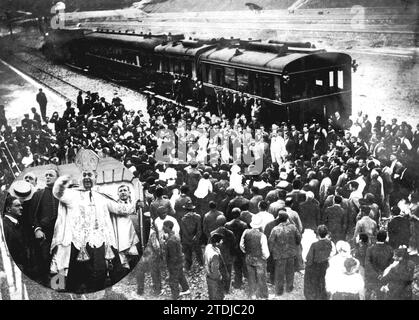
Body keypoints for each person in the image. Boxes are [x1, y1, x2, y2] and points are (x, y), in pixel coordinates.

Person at [51, 149, 128, 293]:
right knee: (76, 278)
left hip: (100, 242)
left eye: (90, 175)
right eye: (84, 174)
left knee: (99, 274)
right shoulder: (72, 195)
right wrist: (63, 180)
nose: (87, 177)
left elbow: (120, 209)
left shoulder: (102, 197)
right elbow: (57, 193)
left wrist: (132, 203)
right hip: (79, 243)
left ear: (95, 177)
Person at [31, 168, 60, 287]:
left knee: (60, 261)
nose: (47, 177)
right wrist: (37, 229)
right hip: (45, 233)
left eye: (51, 175)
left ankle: (58, 287)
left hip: (60, 233)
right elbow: (32, 215)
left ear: (57, 178)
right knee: (45, 259)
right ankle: (47, 288)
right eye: (46, 175)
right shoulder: (38, 194)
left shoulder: (63, 194)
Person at [268, 212, 301, 295]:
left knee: (279, 273)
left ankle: (279, 291)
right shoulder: (293, 227)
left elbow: (271, 241)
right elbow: (298, 238)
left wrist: (270, 252)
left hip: (279, 255)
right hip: (291, 253)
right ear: (287, 219)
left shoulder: (275, 229)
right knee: (290, 271)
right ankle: (289, 288)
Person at [240, 214, 270, 299]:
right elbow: (265, 251)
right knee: (261, 278)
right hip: (259, 259)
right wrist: (265, 257)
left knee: (251, 277)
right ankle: (263, 295)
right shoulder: (262, 236)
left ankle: (252, 294)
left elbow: (241, 245)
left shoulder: (246, 232)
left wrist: (246, 252)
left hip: (249, 257)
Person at [304, 225, 334, 300]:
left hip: (315, 267)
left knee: (313, 283)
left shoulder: (314, 245)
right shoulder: (329, 243)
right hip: (324, 266)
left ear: (317, 234)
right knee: (322, 283)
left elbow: (309, 258)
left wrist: (307, 265)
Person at [163, 220, 190, 300]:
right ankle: (186, 289)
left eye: (164, 226)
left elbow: (173, 256)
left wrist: (171, 267)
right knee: (180, 275)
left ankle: (175, 296)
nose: (162, 228)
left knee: (173, 280)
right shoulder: (173, 236)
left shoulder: (171, 240)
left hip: (175, 263)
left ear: (168, 227)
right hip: (180, 261)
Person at [364, 230, 393, 300]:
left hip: (372, 278)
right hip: (384, 278)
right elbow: (391, 264)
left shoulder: (370, 249)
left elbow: (367, 264)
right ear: (386, 238)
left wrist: (376, 275)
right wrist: (382, 274)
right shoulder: (389, 249)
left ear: (376, 237)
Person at [225, 207, 248, 289]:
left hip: (232, 248)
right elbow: (245, 237)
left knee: (235, 265)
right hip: (241, 248)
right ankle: (242, 280)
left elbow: (226, 238)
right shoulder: (244, 225)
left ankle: (237, 282)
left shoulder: (227, 225)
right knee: (242, 263)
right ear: (240, 214)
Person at [136, 223, 162, 296]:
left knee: (140, 272)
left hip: (142, 255)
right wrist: (159, 253)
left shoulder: (139, 229)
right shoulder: (152, 231)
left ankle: (140, 290)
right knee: (154, 272)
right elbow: (155, 245)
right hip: (151, 254)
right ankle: (157, 290)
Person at [180, 201, 203, 271]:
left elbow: (184, 231)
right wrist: (196, 237)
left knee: (188, 254)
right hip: (195, 238)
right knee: (198, 252)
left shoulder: (183, 219)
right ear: (193, 209)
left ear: (185, 210)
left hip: (186, 239)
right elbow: (199, 229)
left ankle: (188, 267)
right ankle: (201, 265)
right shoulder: (198, 217)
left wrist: (188, 239)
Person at [204, 233, 225, 300]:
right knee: (217, 295)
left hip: (208, 274)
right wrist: (219, 277)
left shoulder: (208, 246)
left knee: (211, 294)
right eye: (221, 240)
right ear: (217, 242)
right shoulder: (215, 255)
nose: (222, 241)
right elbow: (215, 270)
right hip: (214, 278)